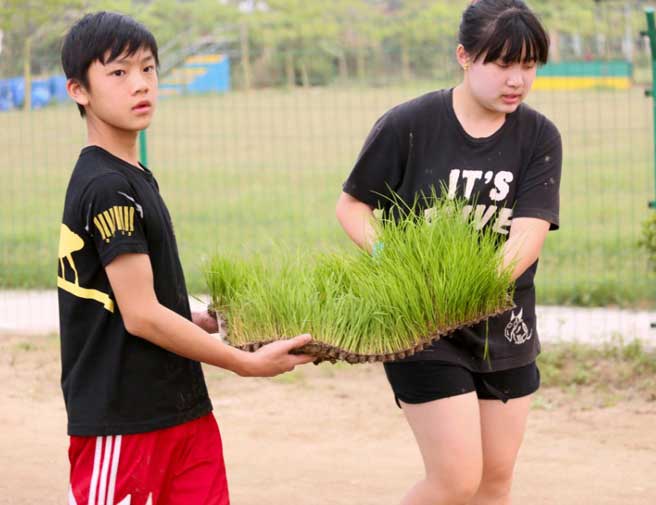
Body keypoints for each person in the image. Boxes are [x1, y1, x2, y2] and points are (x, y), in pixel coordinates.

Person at [58, 12, 313, 505]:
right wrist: (245, 363)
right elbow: (141, 316)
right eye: (118, 73)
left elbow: (141, 303)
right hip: (124, 421)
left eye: (149, 69)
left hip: (182, 412)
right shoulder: (106, 186)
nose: (141, 84)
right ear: (78, 90)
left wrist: (204, 320)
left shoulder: (132, 175)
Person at [336, 1, 562, 504]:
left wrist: (469, 290)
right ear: (464, 56)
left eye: (528, 66)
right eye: (502, 63)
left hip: (504, 323)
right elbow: (353, 207)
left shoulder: (539, 136)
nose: (517, 80)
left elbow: (528, 233)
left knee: (494, 482)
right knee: (456, 479)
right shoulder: (408, 124)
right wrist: (402, 263)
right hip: (421, 323)